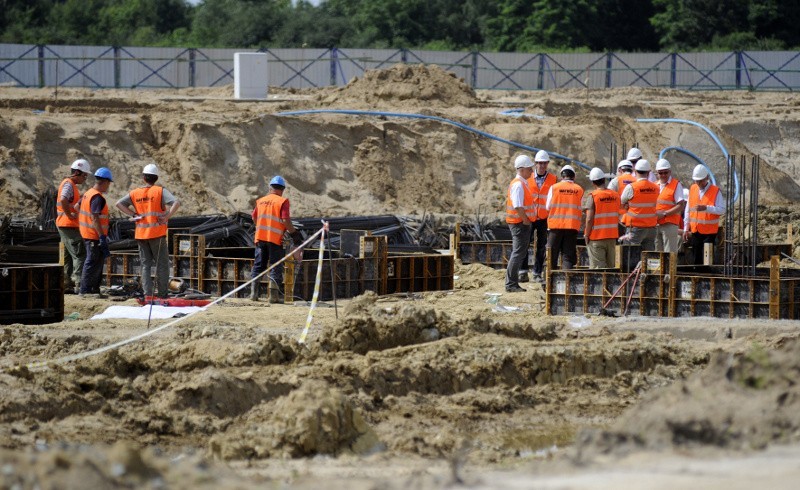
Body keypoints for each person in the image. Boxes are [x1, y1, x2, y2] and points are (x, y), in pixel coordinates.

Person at [115, 163, 180, 298]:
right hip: (157, 234)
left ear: (144, 177)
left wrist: (133, 214)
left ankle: (147, 294)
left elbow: (118, 204)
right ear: (156, 177)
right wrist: (167, 216)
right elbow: (176, 202)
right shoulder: (160, 191)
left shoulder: (135, 193)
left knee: (145, 266)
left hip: (141, 235)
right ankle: (162, 295)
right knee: (162, 266)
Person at [250, 175, 303, 303]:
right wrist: (294, 233)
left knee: (259, 265)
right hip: (274, 239)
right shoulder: (282, 201)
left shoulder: (261, 201)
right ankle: (273, 297)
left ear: (270, 188)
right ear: (282, 189)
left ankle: (253, 294)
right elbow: (285, 220)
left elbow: (253, 217)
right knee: (275, 266)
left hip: (260, 238)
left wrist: (261, 227)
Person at [519, 149, 557, 284]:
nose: (542, 166)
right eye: (539, 163)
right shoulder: (527, 178)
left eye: (544, 163)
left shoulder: (553, 180)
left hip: (544, 218)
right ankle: (523, 271)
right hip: (530, 217)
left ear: (547, 164)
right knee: (524, 243)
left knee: (541, 246)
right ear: (535, 164)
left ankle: (537, 272)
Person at [56, 158, 91, 293]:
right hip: (68, 225)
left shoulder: (71, 185)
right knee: (80, 254)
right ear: (77, 172)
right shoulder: (68, 184)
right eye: (84, 175)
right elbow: (63, 199)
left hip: (65, 225)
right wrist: (70, 215)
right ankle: (79, 284)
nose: (85, 178)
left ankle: (66, 284)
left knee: (68, 256)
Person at [78, 167, 113, 297]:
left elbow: (77, 207)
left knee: (96, 261)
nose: (108, 186)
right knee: (92, 261)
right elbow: (94, 217)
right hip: (94, 235)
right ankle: (85, 290)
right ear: (104, 182)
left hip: (87, 233)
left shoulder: (88, 193)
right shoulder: (97, 197)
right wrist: (102, 236)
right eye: (108, 183)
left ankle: (93, 289)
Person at [504, 155, 535, 292]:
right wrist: (526, 220)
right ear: (522, 170)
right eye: (529, 169)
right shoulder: (518, 184)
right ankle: (511, 284)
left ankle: (512, 283)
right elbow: (518, 206)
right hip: (519, 223)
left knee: (519, 253)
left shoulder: (522, 183)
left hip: (520, 223)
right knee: (518, 253)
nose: (531, 172)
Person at [683, 164, 726, 264]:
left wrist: (706, 208)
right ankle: (697, 276)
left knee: (707, 259)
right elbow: (687, 210)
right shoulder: (693, 189)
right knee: (696, 258)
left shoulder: (715, 191)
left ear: (706, 178)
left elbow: (722, 210)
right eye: (696, 181)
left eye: (700, 181)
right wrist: (686, 228)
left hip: (709, 232)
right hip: (695, 230)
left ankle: (706, 274)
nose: (698, 183)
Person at [546, 165, 584, 270]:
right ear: (573, 177)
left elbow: (547, 207)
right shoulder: (579, 189)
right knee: (568, 256)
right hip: (572, 226)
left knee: (551, 255)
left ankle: (547, 283)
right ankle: (565, 282)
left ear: (562, 176)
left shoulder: (554, 188)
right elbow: (579, 208)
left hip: (555, 226)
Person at [583, 167, 620, 268]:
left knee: (597, 271)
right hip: (612, 237)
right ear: (604, 179)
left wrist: (586, 234)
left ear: (593, 183)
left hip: (596, 238)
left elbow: (589, 219)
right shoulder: (615, 195)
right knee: (610, 269)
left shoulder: (593, 196)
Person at [621, 160, 659, 251]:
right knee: (648, 258)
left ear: (635, 171)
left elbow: (622, 202)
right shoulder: (656, 188)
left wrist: (627, 205)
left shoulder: (632, 187)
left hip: (635, 228)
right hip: (651, 228)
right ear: (649, 172)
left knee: (631, 256)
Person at [654, 158, 686, 253]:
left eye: (665, 172)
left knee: (669, 255)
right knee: (656, 255)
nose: (663, 175)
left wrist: (664, 214)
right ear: (657, 173)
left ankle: (669, 269)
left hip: (669, 224)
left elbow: (681, 205)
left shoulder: (676, 185)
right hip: (656, 224)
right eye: (661, 173)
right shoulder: (654, 186)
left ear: (670, 172)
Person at [608, 159, 636, 234]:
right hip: (634, 218)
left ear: (620, 170)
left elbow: (608, 198)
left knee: (619, 243)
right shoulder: (637, 181)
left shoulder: (616, 181)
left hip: (619, 218)